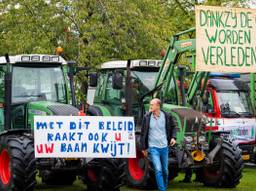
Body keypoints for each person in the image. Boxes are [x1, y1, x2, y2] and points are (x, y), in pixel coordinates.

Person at [140, 98, 176, 191]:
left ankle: (164, 187)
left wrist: (173, 138)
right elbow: (143, 133)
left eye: (152, 104)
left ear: (158, 106)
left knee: (165, 171)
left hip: (164, 147)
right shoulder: (147, 117)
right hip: (153, 148)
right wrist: (143, 148)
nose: (150, 106)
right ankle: (162, 189)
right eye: (150, 104)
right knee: (158, 169)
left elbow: (173, 127)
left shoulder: (167, 116)